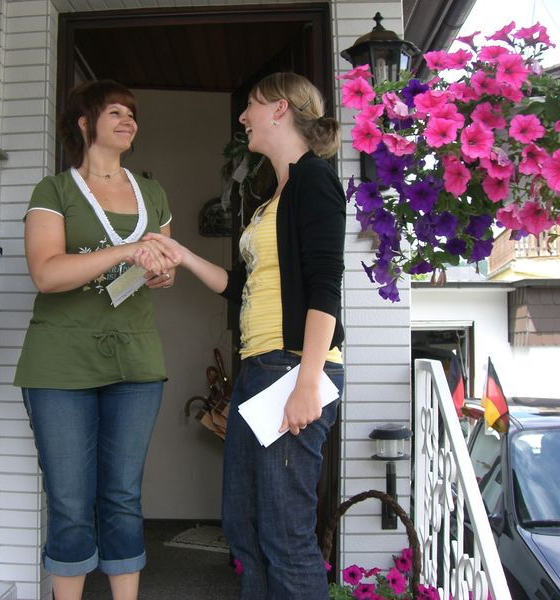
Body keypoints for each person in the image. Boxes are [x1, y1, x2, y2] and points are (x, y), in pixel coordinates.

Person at [145, 72, 346, 600]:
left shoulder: (314, 180)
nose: (242, 117)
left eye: (250, 107)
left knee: (285, 534)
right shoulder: (272, 193)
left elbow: (326, 287)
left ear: (279, 110)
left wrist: (309, 380)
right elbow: (243, 287)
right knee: (245, 528)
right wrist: (184, 256)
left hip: (293, 368)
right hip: (261, 371)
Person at [13, 79, 178, 600]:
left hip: (135, 360)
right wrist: (126, 253)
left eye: (132, 113)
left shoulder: (151, 192)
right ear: (85, 124)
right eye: (115, 112)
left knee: (123, 495)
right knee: (68, 498)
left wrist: (158, 270)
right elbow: (47, 273)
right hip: (59, 363)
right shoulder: (54, 191)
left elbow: (164, 268)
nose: (129, 120)